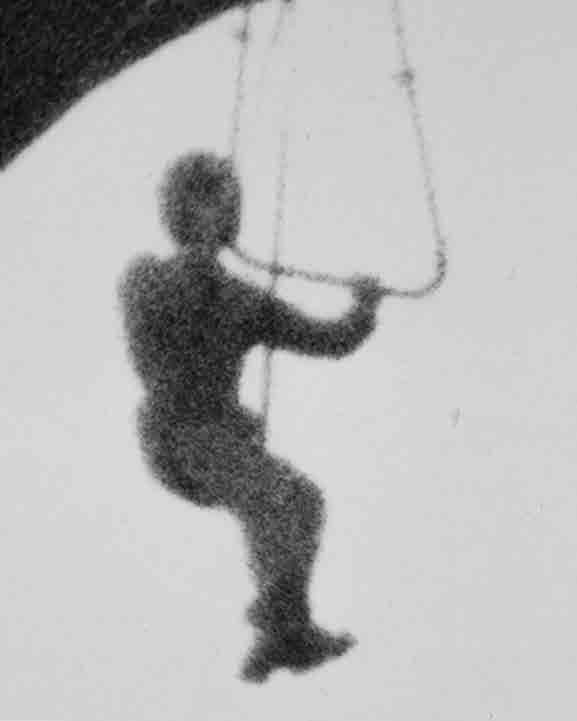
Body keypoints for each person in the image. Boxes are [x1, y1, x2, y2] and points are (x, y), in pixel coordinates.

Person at [118, 152, 384, 682]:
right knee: (275, 498)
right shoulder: (147, 275)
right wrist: (198, 262)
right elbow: (157, 315)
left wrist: (363, 310)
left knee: (302, 501)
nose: (224, 209)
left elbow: (326, 339)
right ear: (182, 210)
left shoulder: (241, 298)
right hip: (177, 435)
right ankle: (278, 622)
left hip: (218, 439)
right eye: (210, 200)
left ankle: (286, 632)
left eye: (227, 201)